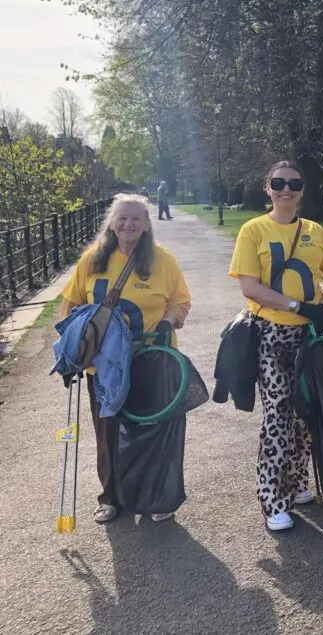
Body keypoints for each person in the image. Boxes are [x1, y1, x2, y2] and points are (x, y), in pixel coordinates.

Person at [58, 193, 191, 524]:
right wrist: (73, 346)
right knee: (108, 432)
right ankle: (112, 497)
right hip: (103, 365)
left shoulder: (163, 261)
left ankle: (155, 494)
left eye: (136, 218)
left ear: (147, 225)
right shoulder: (92, 260)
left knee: (151, 429)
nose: (128, 224)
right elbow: (70, 304)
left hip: (149, 357)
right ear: (111, 222)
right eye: (122, 218)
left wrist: (167, 322)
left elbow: (181, 303)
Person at [228, 160, 323, 532]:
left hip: (308, 335)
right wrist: (297, 305)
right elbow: (250, 287)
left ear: (302, 190)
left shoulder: (314, 231)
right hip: (272, 333)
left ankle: (297, 484)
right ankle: (272, 498)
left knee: (306, 412)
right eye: (278, 182)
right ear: (268, 188)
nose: (286, 189)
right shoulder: (253, 230)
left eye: (293, 183)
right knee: (277, 415)